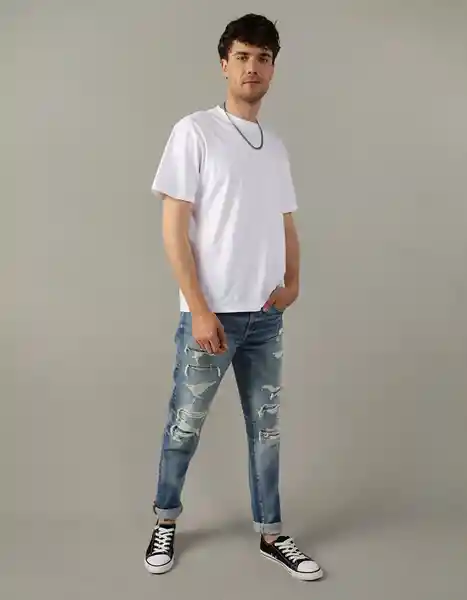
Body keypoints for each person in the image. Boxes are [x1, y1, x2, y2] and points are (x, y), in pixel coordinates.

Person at [144, 13, 323, 582]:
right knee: (185, 425)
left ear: (273, 68)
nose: (253, 67)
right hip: (212, 315)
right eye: (243, 56)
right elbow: (174, 227)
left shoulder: (275, 147)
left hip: (265, 317)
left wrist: (293, 284)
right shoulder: (195, 132)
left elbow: (286, 222)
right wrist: (198, 308)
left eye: (263, 58)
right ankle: (165, 520)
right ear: (225, 63)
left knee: (266, 431)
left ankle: (271, 533)